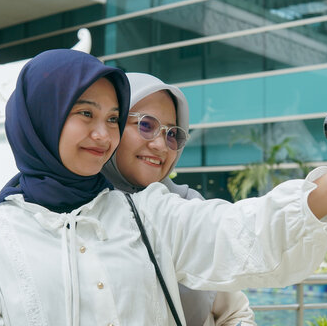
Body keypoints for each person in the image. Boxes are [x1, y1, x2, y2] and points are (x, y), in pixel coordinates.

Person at [0, 48, 327, 326]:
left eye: (112, 117)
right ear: (40, 119)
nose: (103, 134)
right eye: (83, 114)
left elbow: (243, 232)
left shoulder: (149, 213)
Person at [101, 72, 256, 326]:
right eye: (146, 125)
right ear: (111, 126)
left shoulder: (188, 208)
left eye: (172, 134)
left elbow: (236, 313)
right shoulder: (77, 213)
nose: (162, 146)